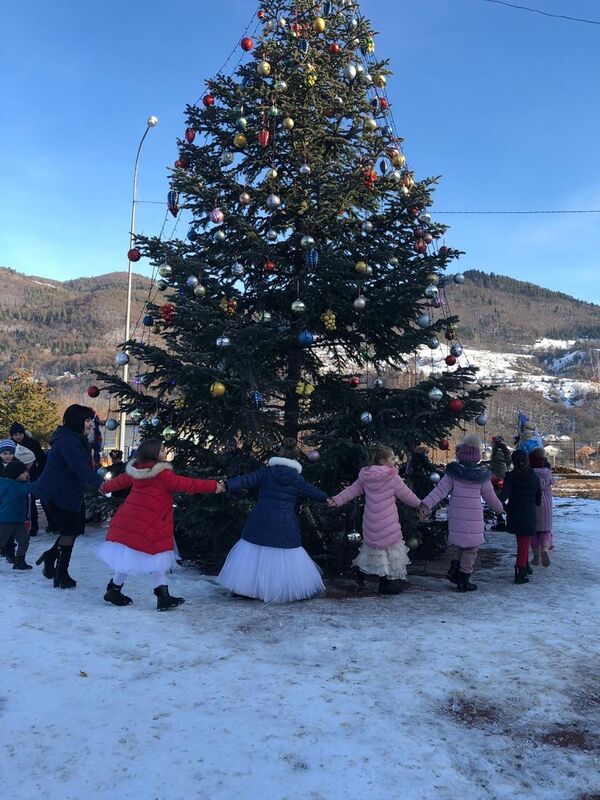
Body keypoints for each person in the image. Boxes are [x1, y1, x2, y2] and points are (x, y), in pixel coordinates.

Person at [98, 438, 223, 611]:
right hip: (150, 523)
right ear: (153, 454)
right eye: (162, 450)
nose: (165, 452)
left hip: (132, 519)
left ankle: (117, 590)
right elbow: (188, 484)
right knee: (156, 556)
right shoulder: (162, 474)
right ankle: (159, 596)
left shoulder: (136, 470)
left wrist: (104, 487)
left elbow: (120, 482)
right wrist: (214, 486)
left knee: (130, 556)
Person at [218, 438, 327, 604]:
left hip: (261, 519)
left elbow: (246, 479)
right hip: (285, 523)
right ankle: (285, 589)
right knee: (285, 555)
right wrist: (328, 500)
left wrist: (226, 485)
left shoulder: (267, 472)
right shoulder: (297, 478)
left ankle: (248, 588)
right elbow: (313, 491)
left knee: (254, 553)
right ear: (296, 457)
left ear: (280, 453)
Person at [328, 444, 421, 594]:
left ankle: (360, 572)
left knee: (374, 551)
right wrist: (419, 505)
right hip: (388, 522)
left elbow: (351, 491)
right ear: (383, 461)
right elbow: (406, 494)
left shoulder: (365, 476)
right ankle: (384, 584)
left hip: (371, 521)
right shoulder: (392, 477)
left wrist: (336, 500)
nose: (395, 461)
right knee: (387, 552)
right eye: (392, 458)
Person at [419, 434, 504, 593]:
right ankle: (464, 580)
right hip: (474, 519)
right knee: (471, 550)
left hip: (456, 516)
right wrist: (500, 509)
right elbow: (491, 498)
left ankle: (454, 571)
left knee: (460, 546)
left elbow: (439, 492)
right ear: (478, 457)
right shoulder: (482, 477)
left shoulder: (453, 474)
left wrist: (426, 504)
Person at [33, 405, 105, 589]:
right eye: (88, 420)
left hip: (68, 491)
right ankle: (61, 573)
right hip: (58, 493)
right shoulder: (67, 441)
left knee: (73, 529)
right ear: (77, 421)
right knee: (69, 531)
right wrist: (101, 484)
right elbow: (78, 467)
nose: (91, 424)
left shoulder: (74, 438)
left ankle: (51, 558)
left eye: (91, 420)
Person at [500, 449, 542, 584]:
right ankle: (520, 572)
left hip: (515, 514)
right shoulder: (534, 477)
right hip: (529, 514)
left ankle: (524, 565)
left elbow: (502, 498)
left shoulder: (511, 477)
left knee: (522, 542)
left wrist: (507, 509)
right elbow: (538, 500)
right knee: (524, 543)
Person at [0, 439, 34, 569]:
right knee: (1, 542)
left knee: (24, 539)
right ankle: (16, 558)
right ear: (16, 474)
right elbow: (34, 487)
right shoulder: (17, 487)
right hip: (6, 520)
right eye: (24, 472)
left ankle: (19, 561)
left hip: (18, 520)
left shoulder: (12, 482)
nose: (26, 474)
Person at [10, 423, 47, 536]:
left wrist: (39, 472)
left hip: (33, 475)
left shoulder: (32, 443)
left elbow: (41, 458)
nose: (18, 437)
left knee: (32, 502)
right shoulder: (10, 446)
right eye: (15, 434)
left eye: (20, 434)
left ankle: (33, 527)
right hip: (16, 478)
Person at [529, 447, 554, 567]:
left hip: (534, 507)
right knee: (546, 532)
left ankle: (537, 557)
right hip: (547, 509)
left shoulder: (529, 474)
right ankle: (545, 549)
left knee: (534, 533)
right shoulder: (548, 473)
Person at [490, 436, 511, 531]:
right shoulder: (505, 452)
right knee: (500, 499)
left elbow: (497, 465)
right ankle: (507, 516)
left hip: (497, 480)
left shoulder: (498, 452)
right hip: (502, 479)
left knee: (497, 500)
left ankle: (501, 521)